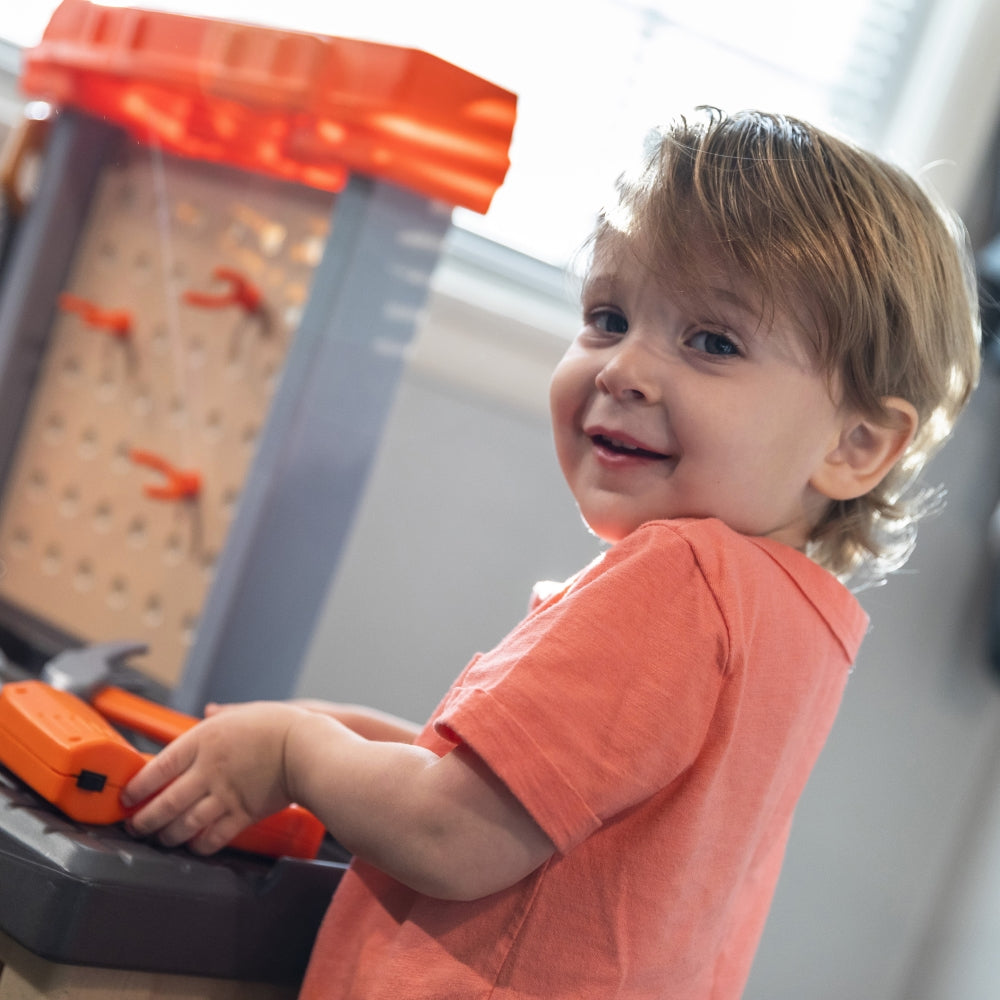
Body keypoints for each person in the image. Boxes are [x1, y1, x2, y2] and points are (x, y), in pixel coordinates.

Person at [122, 108, 981, 998]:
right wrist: (350, 735)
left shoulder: (682, 579)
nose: (623, 369)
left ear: (857, 445)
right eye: (608, 318)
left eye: (713, 341)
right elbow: (540, 810)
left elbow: (452, 838)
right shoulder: (796, 628)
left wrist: (297, 750)